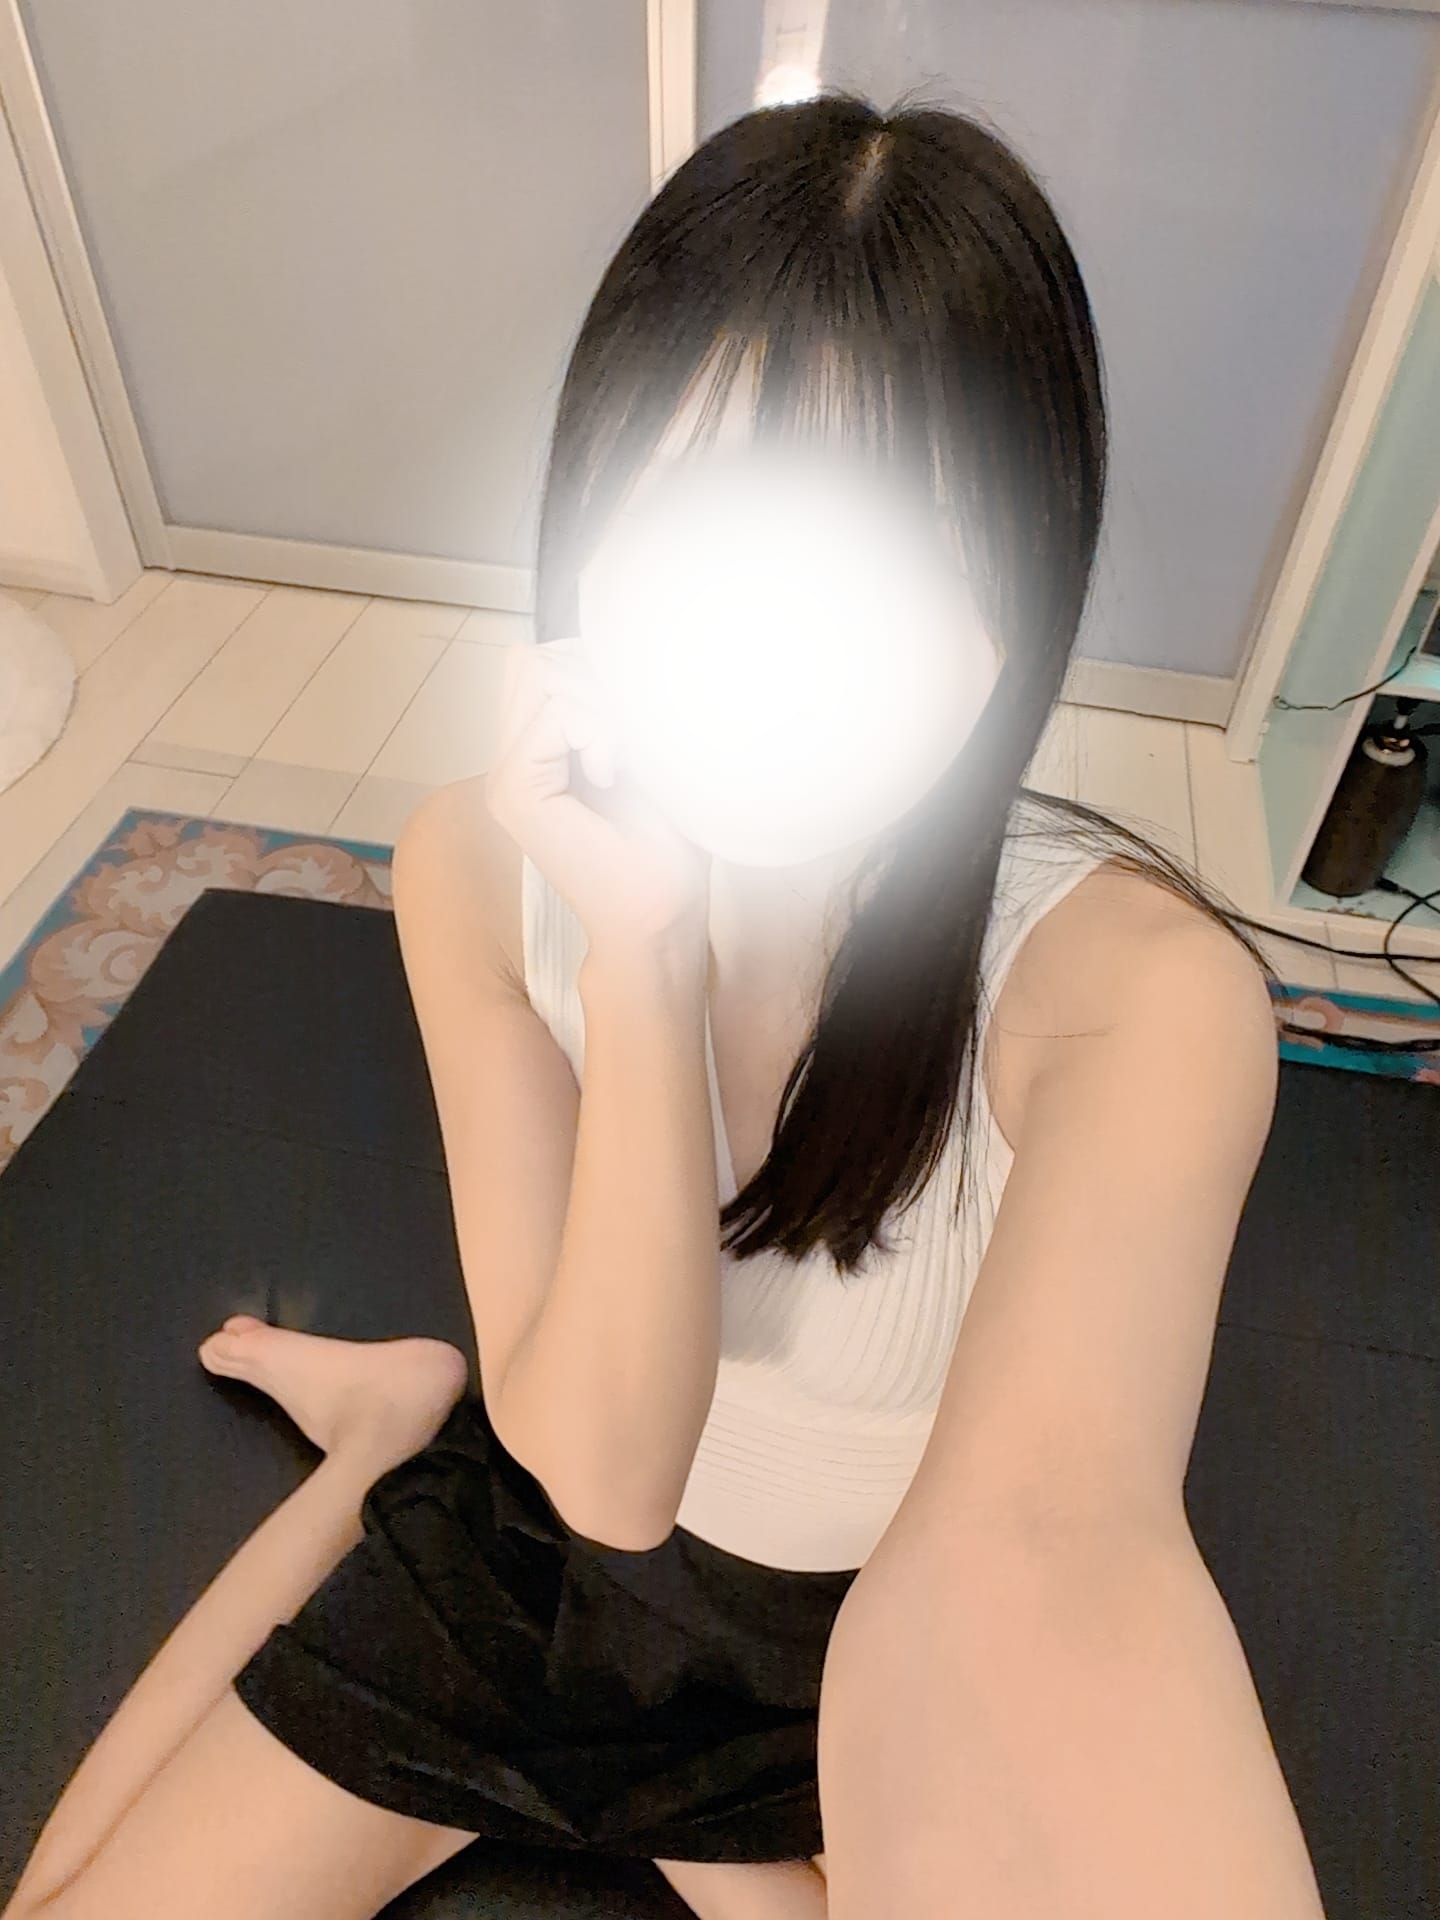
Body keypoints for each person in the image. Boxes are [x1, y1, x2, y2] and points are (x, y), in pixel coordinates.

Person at [6, 92, 1327, 1920]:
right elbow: (605, 1478)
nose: (794, 636)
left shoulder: (1138, 999)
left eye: (895, 560)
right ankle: (398, 1436)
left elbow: (1056, 1545)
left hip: (846, 1654)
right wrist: (643, 950)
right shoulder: (477, 866)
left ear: (1018, 612)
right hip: (551, 1553)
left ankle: (424, 1468)